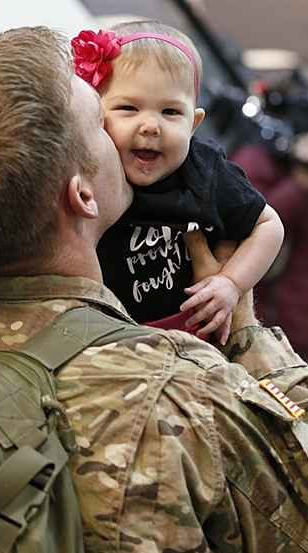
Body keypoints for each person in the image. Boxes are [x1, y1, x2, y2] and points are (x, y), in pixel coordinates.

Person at [0, 25, 308, 553]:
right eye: (101, 119)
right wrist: (245, 329)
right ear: (83, 194)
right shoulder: (178, 395)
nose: (132, 134)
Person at [72, 20, 284, 344]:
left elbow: (269, 225)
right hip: (109, 344)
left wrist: (231, 284)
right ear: (94, 115)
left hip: (196, 344)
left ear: (194, 124)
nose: (151, 126)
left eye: (170, 112)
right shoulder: (84, 173)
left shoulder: (203, 170)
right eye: (128, 108)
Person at [232, 128, 308, 361]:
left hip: (304, 334)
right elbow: (254, 226)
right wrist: (300, 181)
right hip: (266, 329)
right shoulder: (259, 160)